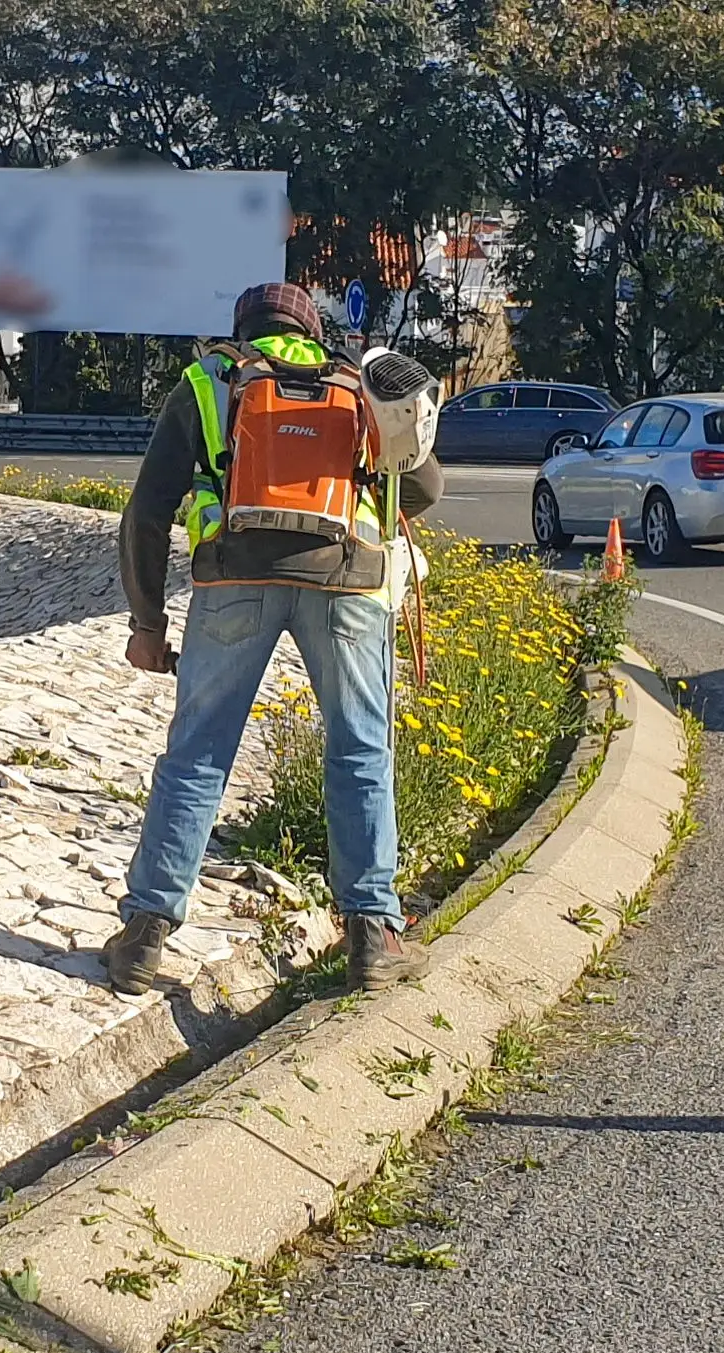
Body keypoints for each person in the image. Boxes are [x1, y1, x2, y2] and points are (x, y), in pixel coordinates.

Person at [105, 281, 445, 997]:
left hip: (235, 576)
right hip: (346, 579)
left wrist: (147, 625)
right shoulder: (356, 380)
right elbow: (424, 490)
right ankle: (372, 934)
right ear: (311, 329)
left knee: (198, 754)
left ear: (244, 328)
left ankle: (143, 936)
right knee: (360, 750)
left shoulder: (210, 379)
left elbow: (146, 511)